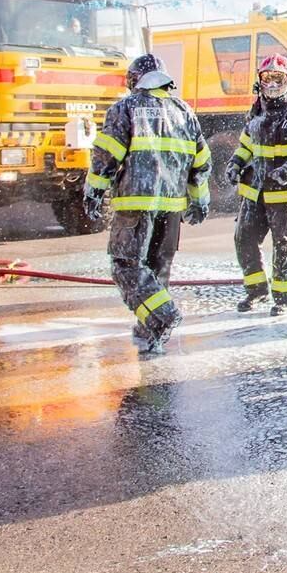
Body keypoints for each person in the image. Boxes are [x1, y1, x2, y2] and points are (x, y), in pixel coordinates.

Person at [84, 54, 210, 353]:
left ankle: (162, 315)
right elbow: (201, 161)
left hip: (135, 204)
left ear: (134, 80)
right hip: (173, 206)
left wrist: (94, 190)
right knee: (158, 268)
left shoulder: (125, 108)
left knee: (125, 265)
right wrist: (199, 199)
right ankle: (151, 333)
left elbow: (107, 155)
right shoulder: (184, 111)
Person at [227, 54, 287, 317]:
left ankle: (285, 299)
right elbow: (246, 144)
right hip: (256, 191)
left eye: (279, 78)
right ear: (260, 81)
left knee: (284, 244)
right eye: (268, 78)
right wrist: (235, 162)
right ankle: (256, 291)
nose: (273, 84)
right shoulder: (256, 109)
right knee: (243, 239)